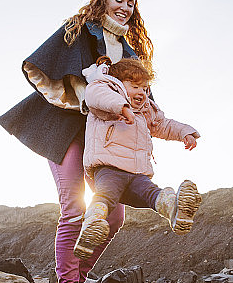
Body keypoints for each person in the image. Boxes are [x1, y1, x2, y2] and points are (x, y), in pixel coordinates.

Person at [0, 0, 154, 283]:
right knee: (74, 209)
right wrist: (87, 95)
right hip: (68, 128)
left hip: (107, 142)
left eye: (131, 3)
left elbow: (145, 101)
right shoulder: (79, 30)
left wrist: (174, 129)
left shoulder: (130, 54)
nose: (125, 7)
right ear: (104, 1)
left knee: (114, 216)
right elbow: (51, 67)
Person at [73, 56, 201, 259]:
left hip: (137, 174)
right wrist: (122, 107)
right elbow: (96, 97)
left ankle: (175, 211)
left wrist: (185, 132)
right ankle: (91, 226)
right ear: (117, 84)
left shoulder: (146, 110)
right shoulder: (103, 90)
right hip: (109, 168)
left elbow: (164, 125)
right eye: (135, 86)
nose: (141, 92)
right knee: (104, 195)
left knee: (152, 194)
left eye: (145, 88)